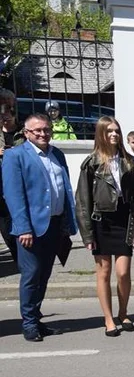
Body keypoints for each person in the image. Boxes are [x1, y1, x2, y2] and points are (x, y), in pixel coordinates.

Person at [1, 113, 77, 341]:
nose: (43, 134)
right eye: (38, 131)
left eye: (46, 129)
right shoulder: (15, 156)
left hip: (53, 225)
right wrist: (23, 228)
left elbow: (65, 189)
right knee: (31, 274)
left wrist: (67, 223)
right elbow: (13, 195)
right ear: (26, 133)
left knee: (44, 275)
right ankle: (29, 323)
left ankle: (37, 317)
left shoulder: (58, 155)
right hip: (30, 229)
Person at [75, 117, 134, 336]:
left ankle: (123, 313)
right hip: (101, 222)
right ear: (101, 134)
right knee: (103, 272)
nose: (114, 134)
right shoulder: (91, 163)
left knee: (123, 272)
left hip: (125, 220)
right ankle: (108, 318)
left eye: (116, 131)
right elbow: (83, 201)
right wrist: (87, 235)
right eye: (109, 131)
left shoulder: (129, 162)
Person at [0, 89, 24, 261]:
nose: (5, 114)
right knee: (6, 229)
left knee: (19, 228)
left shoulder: (25, 132)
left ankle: (23, 261)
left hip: (20, 186)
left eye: (9, 108)